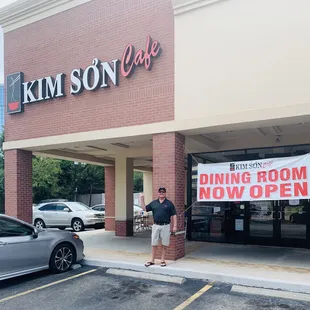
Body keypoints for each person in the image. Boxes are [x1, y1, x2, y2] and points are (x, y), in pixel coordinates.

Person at [140, 187, 177, 267]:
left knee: (164, 243)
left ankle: (162, 260)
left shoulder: (169, 203)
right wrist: (142, 199)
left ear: (165, 193)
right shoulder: (154, 203)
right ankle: (152, 260)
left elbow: (174, 215)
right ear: (158, 193)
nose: (161, 193)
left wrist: (174, 226)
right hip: (156, 225)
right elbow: (144, 208)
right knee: (154, 243)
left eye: (163, 192)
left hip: (166, 226)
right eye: (160, 192)